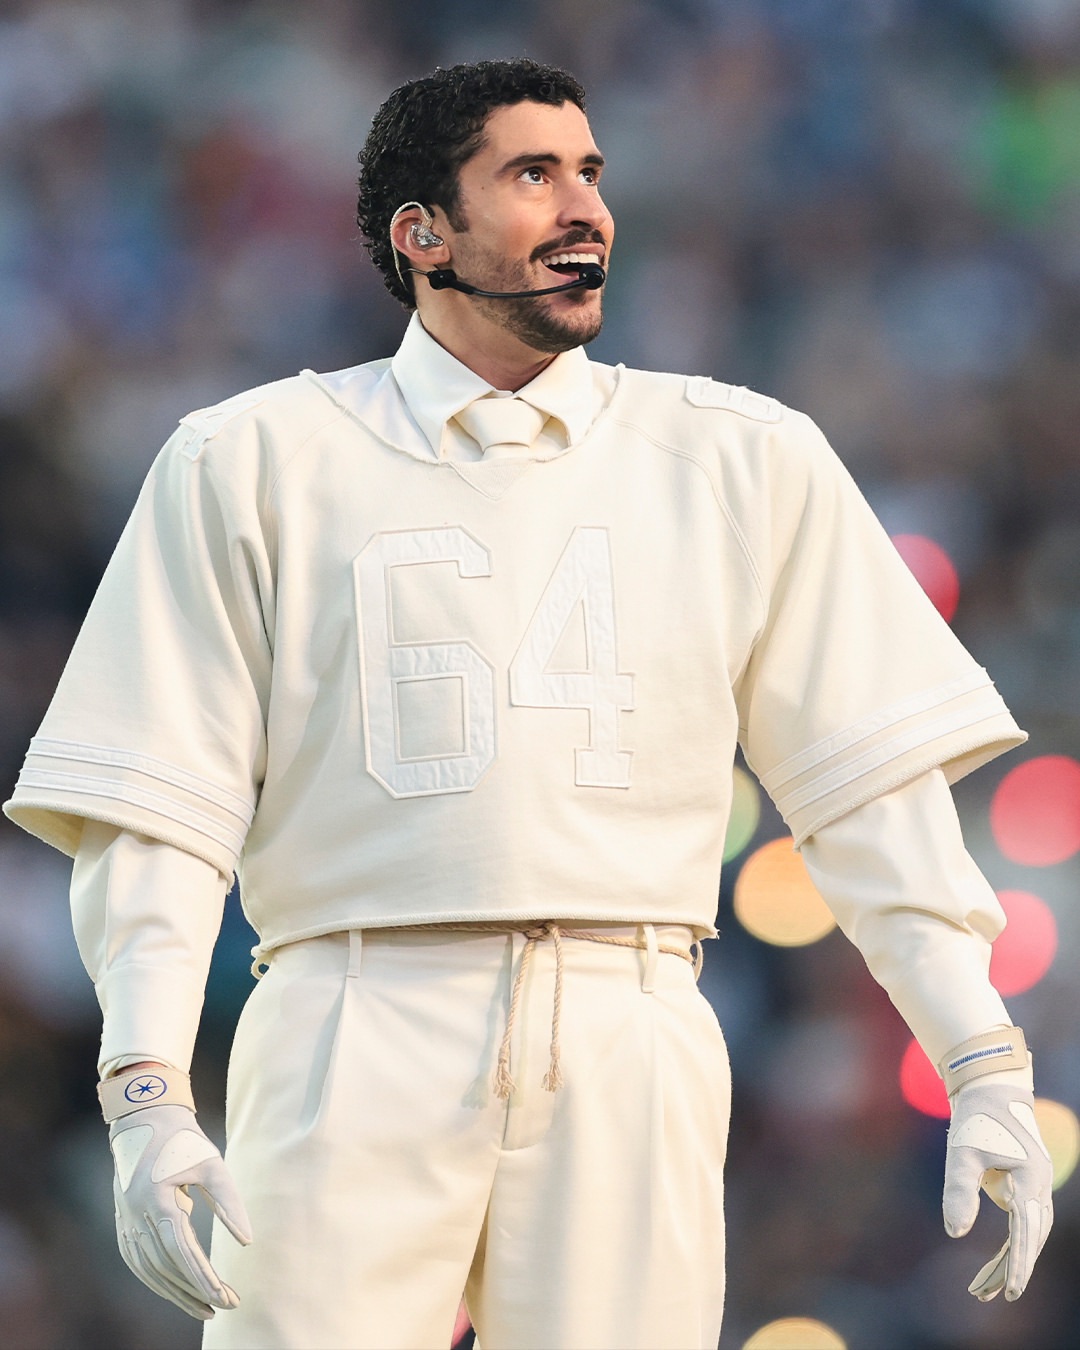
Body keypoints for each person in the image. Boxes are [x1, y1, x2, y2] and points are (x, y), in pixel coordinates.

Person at [3, 58, 1054, 1350]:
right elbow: (162, 805)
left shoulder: (746, 456)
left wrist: (981, 1052)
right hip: (346, 1006)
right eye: (533, 174)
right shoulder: (248, 458)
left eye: (592, 173)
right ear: (422, 234)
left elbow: (868, 790)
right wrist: (146, 1086)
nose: (586, 208)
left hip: (637, 1014)